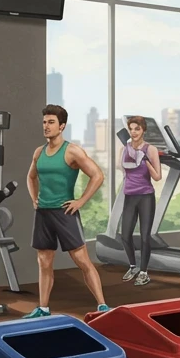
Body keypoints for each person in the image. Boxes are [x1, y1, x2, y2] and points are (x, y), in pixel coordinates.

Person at [24, 104, 108, 318]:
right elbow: (31, 177)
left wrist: (80, 201)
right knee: (44, 261)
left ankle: (102, 306)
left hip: (64, 213)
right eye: (44, 122)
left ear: (62, 126)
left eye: (51, 122)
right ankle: (43, 308)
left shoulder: (72, 151)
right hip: (43, 213)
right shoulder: (38, 152)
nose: (46, 126)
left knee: (81, 260)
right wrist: (34, 199)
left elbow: (97, 175)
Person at [118, 115, 162, 287]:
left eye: (137, 129)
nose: (134, 132)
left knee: (144, 237)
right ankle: (132, 266)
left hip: (145, 197)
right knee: (125, 235)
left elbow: (157, 177)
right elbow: (122, 169)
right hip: (129, 196)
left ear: (143, 130)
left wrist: (145, 161)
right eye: (131, 129)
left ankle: (144, 272)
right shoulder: (125, 148)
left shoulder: (150, 149)